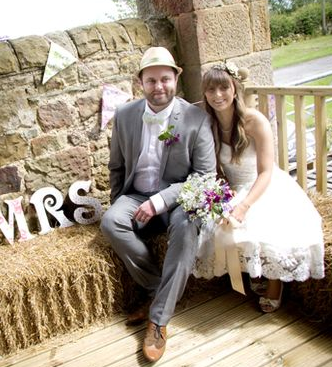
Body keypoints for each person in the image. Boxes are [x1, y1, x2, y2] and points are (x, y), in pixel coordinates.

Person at [100, 47, 216, 362]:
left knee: (188, 223)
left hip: (178, 199)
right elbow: (116, 166)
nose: (159, 86)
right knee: (111, 221)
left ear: (176, 78)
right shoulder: (124, 115)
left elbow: (205, 177)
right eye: (151, 80)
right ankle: (156, 290)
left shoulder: (196, 118)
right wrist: (118, 203)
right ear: (140, 82)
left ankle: (159, 319)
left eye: (165, 78)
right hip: (136, 195)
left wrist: (161, 200)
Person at [193, 62, 325, 313]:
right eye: (211, 90)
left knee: (265, 227)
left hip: (263, 185)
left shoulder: (255, 121)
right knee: (215, 225)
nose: (217, 95)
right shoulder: (208, 123)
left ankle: (275, 284)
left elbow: (266, 171)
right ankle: (254, 271)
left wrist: (243, 206)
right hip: (233, 187)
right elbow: (216, 169)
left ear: (235, 89)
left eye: (224, 87)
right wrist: (219, 197)